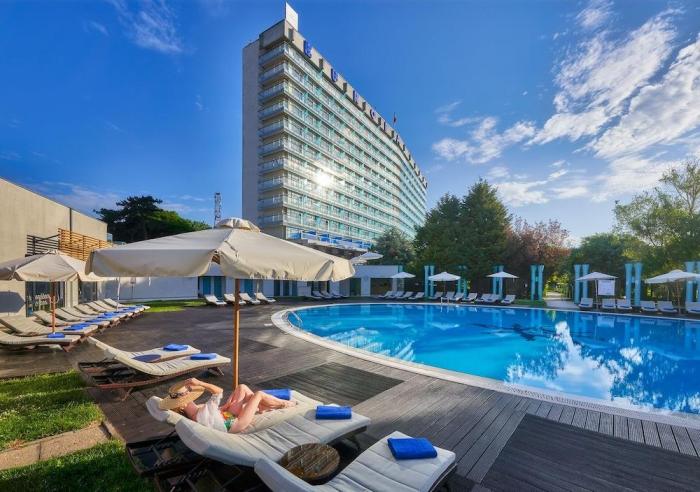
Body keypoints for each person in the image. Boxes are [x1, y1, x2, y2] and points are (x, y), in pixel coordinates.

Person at [158, 378, 295, 433]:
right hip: (237, 423)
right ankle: (284, 404)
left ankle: (262, 407)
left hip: (227, 416)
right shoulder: (201, 413)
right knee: (258, 394)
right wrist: (200, 383)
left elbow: (214, 417)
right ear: (182, 407)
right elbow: (219, 391)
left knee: (241, 387)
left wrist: (225, 406)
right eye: (186, 399)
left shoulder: (196, 413)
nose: (189, 396)